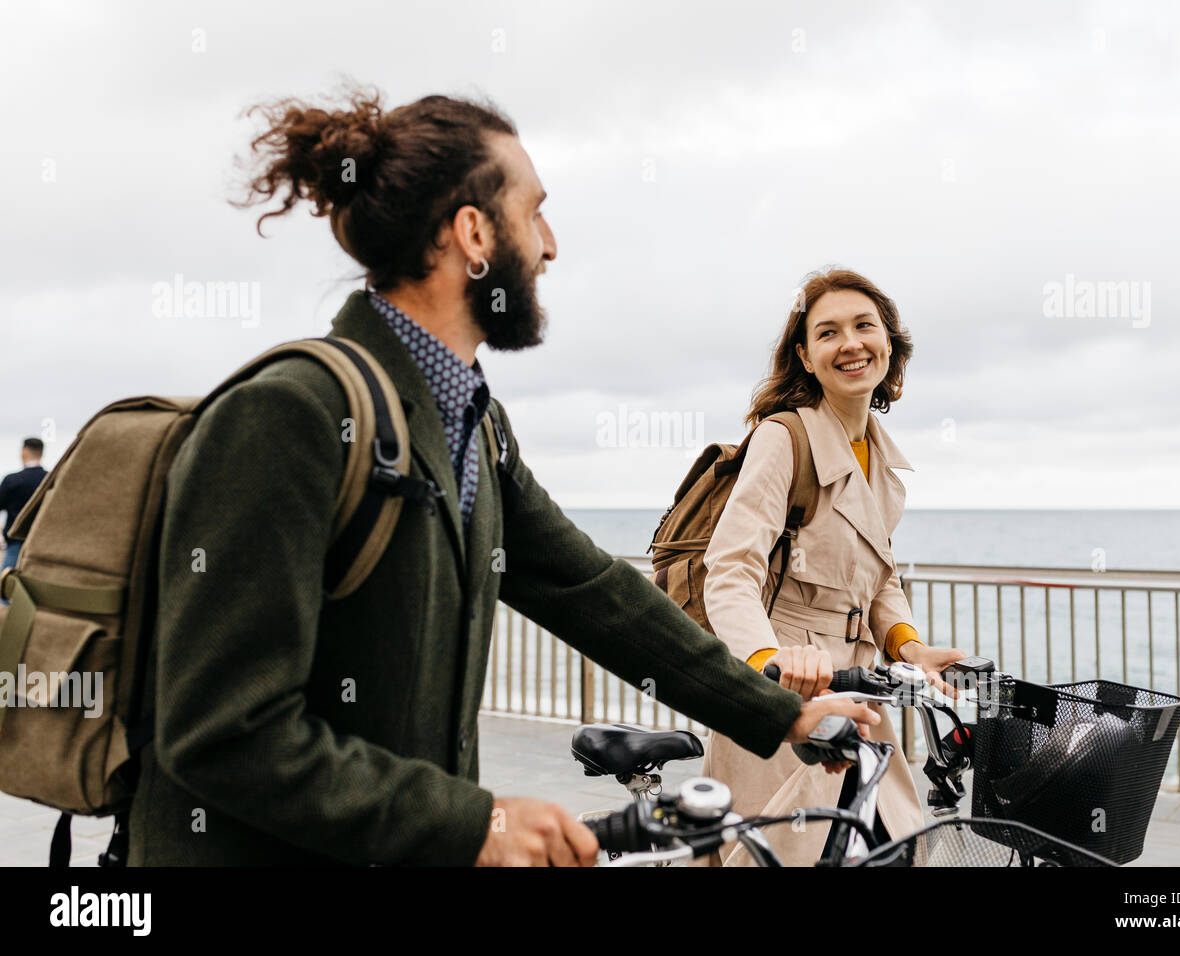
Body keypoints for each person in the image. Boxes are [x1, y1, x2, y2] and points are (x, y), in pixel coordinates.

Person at [125, 87, 881, 866]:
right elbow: (221, 733)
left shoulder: (476, 425)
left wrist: (778, 714)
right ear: (474, 234)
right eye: (535, 213)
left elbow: (593, 591)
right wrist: (470, 822)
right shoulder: (291, 415)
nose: (550, 245)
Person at [698, 268, 969, 866]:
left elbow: (880, 579)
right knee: (781, 851)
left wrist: (910, 647)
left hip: (858, 683)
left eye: (864, 326)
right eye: (828, 332)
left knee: (885, 844)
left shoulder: (878, 456)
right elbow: (731, 570)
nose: (850, 343)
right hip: (784, 681)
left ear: (889, 344)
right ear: (806, 355)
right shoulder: (784, 438)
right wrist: (769, 667)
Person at [0, 438, 47, 603]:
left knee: (5, 586)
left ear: (24, 452)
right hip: (41, 542)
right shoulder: (49, 479)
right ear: (41, 452)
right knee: (37, 588)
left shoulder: (12, 480)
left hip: (15, 540)